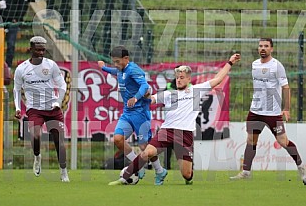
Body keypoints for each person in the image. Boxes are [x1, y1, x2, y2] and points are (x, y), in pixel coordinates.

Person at [108, 53, 241, 185]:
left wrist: (229, 63)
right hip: (166, 131)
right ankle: (125, 177)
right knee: (147, 152)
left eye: (182, 77)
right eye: (177, 77)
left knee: (187, 175)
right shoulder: (168, 94)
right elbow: (151, 99)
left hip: (185, 134)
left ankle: (185, 177)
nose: (178, 80)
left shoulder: (196, 90)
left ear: (189, 79)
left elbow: (217, 79)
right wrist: (146, 94)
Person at [230, 38, 306, 183]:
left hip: (272, 113)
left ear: (272, 48)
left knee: (283, 141)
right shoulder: (254, 64)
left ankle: (302, 168)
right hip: (255, 111)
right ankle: (246, 172)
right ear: (258, 49)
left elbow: (286, 88)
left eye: (266, 46)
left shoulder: (277, 66)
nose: (262, 48)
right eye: (260, 46)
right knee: (251, 140)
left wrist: (286, 108)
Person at [98, 45, 165, 185]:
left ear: (126, 59)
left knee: (144, 147)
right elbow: (115, 71)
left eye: (117, 61)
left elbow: (145, 86)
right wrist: (103, 67)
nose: (115, 64)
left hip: (141, 114)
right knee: (117, 139)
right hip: (127, 113)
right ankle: (137, 165)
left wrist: (135, 98)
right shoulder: (120, 69)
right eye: (114, 62)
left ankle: (160, 171)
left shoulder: (133, 69)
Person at [13, 36, 69, 182]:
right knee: (36, 135)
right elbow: (17, 89)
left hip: (52, 108)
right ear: (31, 49)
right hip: (34, 109)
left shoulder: (51, 65)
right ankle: (37, 157)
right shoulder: (21, 69)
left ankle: (63, 172)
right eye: (38, 50)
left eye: (43, 50)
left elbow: (62, 85)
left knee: (59, 142)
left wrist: (58, 101)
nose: (41, 53)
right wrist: (18, 107)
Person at [0, 0, 30, 68]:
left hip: (12, 22)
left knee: (11, 44)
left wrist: (17, 18)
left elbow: (22, 6)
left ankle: (8, 66)